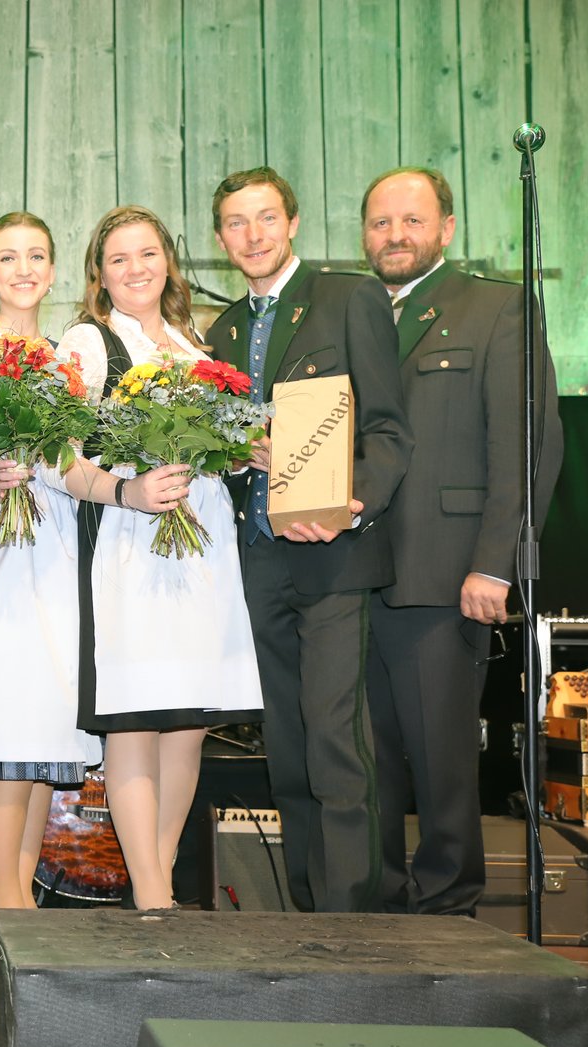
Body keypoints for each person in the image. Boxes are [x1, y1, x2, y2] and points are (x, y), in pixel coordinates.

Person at [203, 167, 412, 913]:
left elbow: (387, 430)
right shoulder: (222, 331)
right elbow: (219, 446)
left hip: (333, 553)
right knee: (285, 747)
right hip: (258, 557)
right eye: (236, 222)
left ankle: (351, 918)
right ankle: (306, 909)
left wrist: (353, 505)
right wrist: (234, 456)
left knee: (334, 741)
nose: (252, 234)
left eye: (266, 217)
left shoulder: (349, 297)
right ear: (220, 237)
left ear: (291, 223)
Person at [359, 167, 563, 915]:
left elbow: (526, 447)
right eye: (380, 223)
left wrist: (494, 566)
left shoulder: (495, 307)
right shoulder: (350, 312)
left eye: (411, 221)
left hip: (446, 577)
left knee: (441, 764)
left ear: (446, 228)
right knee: (364, 769)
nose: (395, 236)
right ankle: (374, 914)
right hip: (349, 575)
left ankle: (447, 914)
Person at [57, 207, 263, 910]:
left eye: (147, 254)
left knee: (188, 723)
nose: (135, 269)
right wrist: (128, 490)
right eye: (118, 259)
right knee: (134, 718)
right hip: (129, 546)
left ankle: (161, 877)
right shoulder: (88, 343)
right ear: (99, 275)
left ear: (167, 262)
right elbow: (58, 459)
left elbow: (219, 448)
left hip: (203, 548)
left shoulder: (194, 342)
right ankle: (150, 895)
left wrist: (243, 451)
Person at [0, 212, 101, 913]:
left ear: (54, 269)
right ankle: (3, 894)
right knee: (3, 713)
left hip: (58, 541)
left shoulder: (72, 356)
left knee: (44, 720)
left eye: (36, 255)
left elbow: (76, 462)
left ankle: (20, 888)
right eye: (7, 258)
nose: (23, 269)